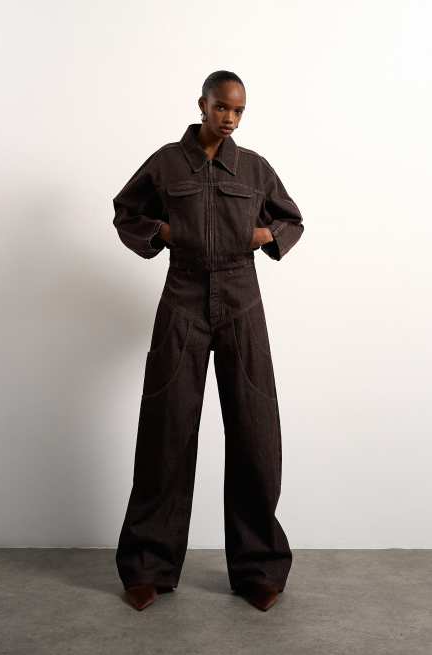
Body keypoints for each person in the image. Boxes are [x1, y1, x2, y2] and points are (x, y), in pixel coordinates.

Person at [112, 70, 304, 612]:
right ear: (203, 104)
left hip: (242, 302)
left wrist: (264, 235)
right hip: (183, 297)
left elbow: (292, 220)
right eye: (222, 107)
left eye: (239, 111)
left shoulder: (255, 168)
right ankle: (148, 566)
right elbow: (127, 212)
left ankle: (259, 569)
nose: (230, 118)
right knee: (167, 429)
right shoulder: (167, 163)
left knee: (255, 431)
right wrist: (163, 233)